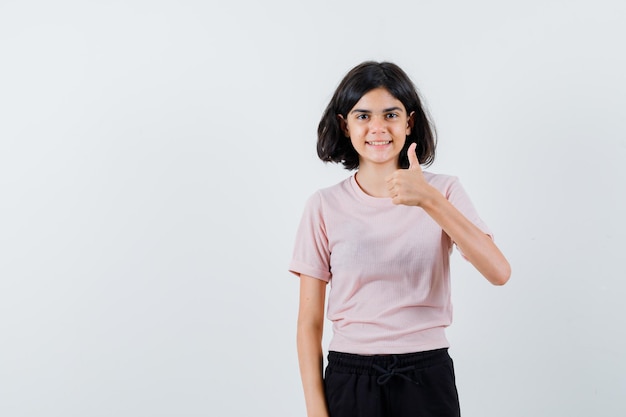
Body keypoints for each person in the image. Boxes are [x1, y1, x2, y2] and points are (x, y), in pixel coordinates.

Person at [288, 61, 511, 417]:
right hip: (350, 377)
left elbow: (499, 271)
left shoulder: (444, 191)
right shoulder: (324, 205)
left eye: (390, 114)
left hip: (426, 374)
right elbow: (308, 323)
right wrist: (316, 412)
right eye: (363, 116)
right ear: (345, 125)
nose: (378, 127)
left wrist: (428, 200)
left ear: (408, 122)